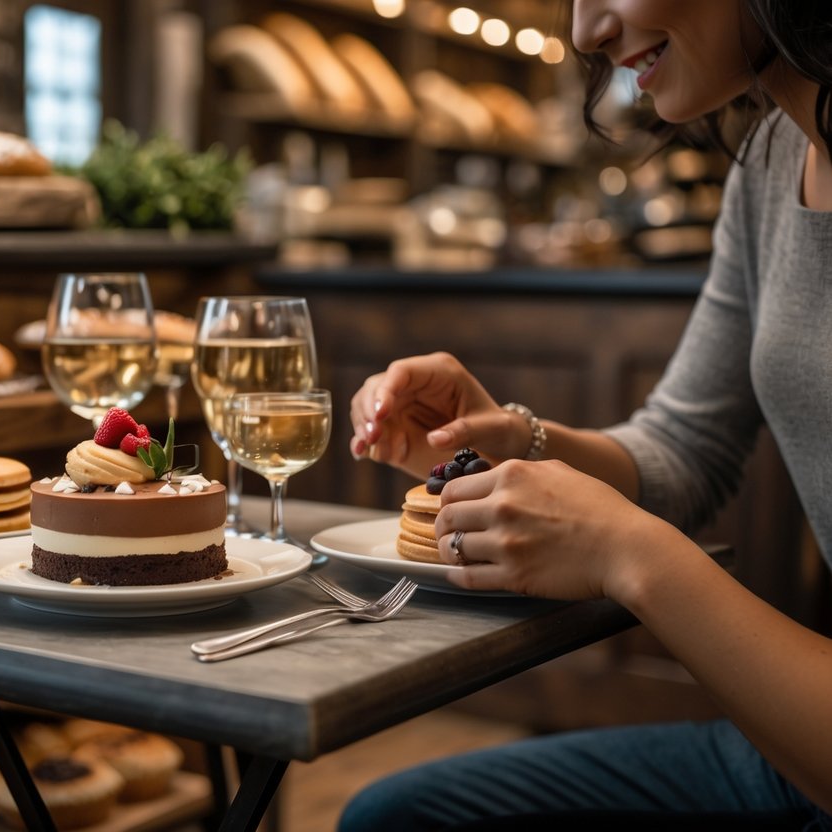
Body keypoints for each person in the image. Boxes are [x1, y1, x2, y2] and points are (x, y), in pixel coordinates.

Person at [339, 1, 832, 829]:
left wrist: (628, 553)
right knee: (396, 816)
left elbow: (639, 532)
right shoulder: (771, 159)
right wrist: (514, 441)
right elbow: (685, 444)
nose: (583, 30)